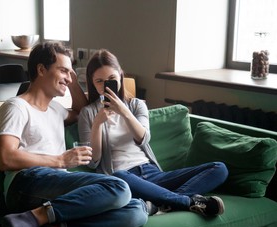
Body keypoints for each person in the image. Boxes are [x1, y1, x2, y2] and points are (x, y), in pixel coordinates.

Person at [0, 42, 148, 227]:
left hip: (54, 186)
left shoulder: (56, 109)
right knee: (118, 186)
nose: (69, 76)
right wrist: (59, 161)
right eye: (63, 70)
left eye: (70, 72)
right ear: (41, 69)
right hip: (25, 183)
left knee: (136, 211)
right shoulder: (16, 107)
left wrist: (70, 80)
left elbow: (81, 109)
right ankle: (29, 219)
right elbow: (4, 158)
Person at [77, 49, 229, 217]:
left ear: (120, 76)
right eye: (99, 81)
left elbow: (143, 138)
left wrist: (124, 112)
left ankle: (162, 203)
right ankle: (187, 202)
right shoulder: (88, 114)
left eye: (111, 79)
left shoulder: (136, 105)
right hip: (126, 179)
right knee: (120, 176)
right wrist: (98, 124)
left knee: (219, 168)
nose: (106, 85)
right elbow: (93, 162)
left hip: (153, 173)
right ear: (92, 83)